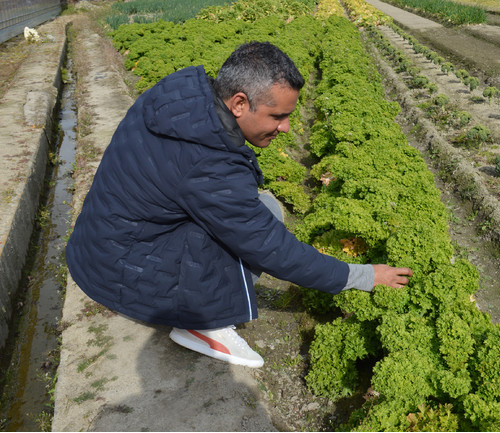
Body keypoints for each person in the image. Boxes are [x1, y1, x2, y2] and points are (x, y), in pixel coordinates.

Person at [65, 41, 412, 368]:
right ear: (240, 103)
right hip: (121, 271)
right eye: (278, 116)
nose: (287, 128)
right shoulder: (209, 167)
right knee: (255, 229)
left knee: (264, 209)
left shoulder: (183, 96)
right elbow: (273, 251)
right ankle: (202, 325)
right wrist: (364, 276)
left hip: (101, 243)